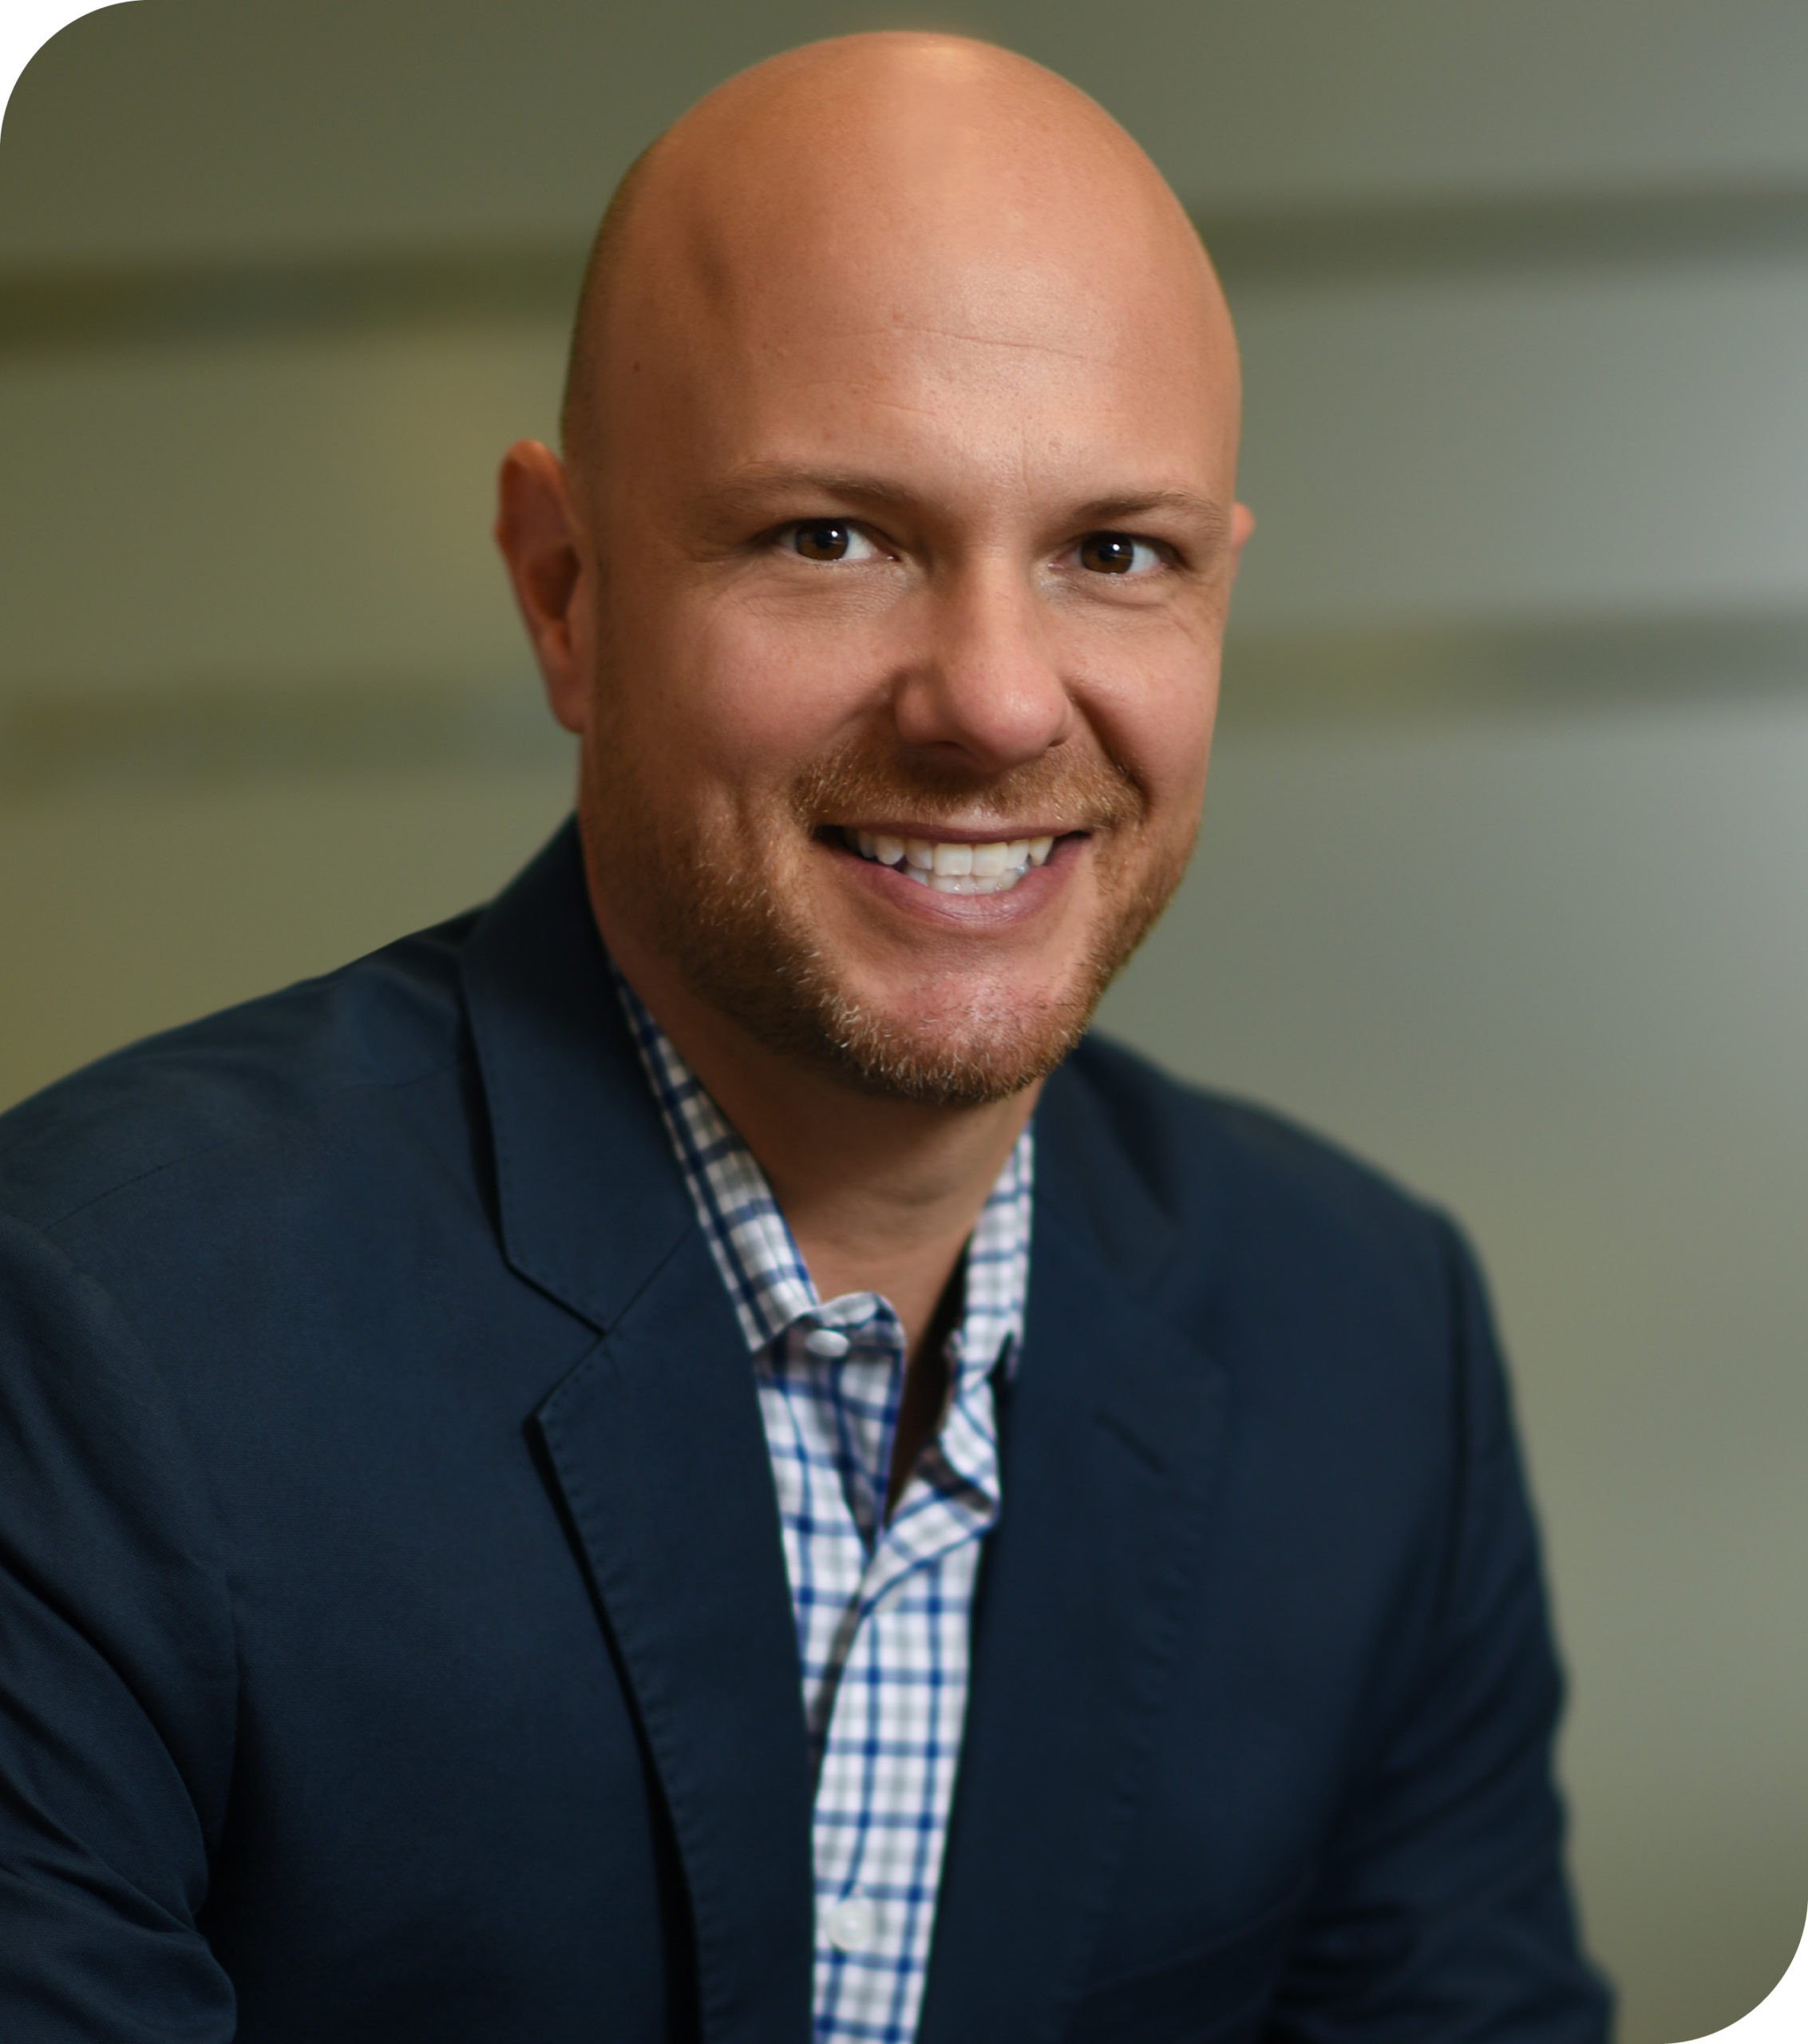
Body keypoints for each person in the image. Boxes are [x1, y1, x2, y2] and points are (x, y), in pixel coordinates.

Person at [0, 31, 1610, 2044]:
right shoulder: (88, 1337)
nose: (995, 703)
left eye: (1113, 552)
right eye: (832, 536)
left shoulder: (1370, 1345)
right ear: (564, 590)